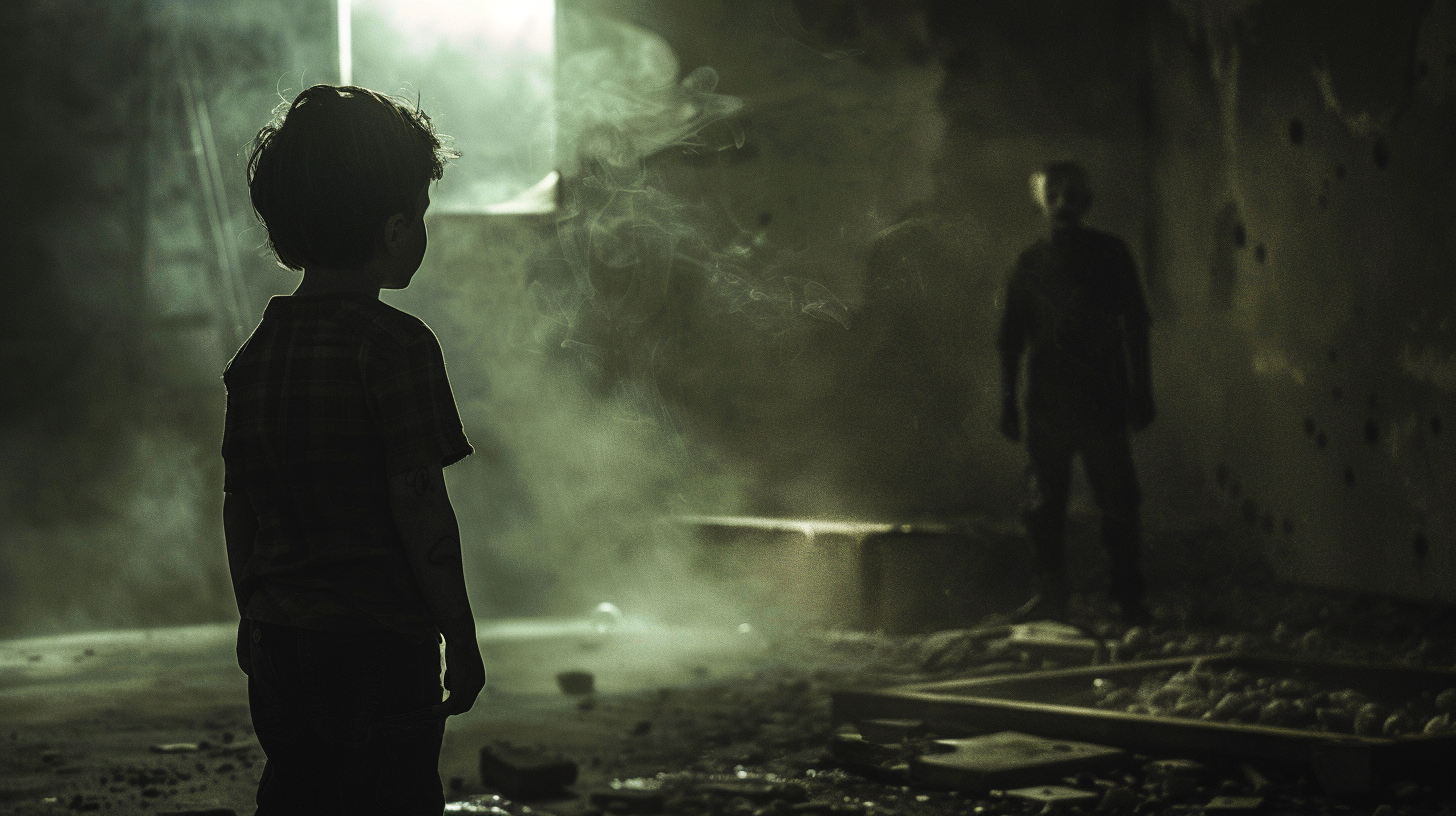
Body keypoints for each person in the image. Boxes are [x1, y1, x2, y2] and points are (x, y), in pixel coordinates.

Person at [222, 84, 483, 815]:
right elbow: (419, 503)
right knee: (391, 796)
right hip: (379, 646)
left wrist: (252, 611)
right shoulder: (398, 348)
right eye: (423, 214)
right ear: (397, 228)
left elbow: (240, 506)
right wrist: (459, 636)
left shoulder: (256, 354)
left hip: (281, 643)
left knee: (298, 792)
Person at [996, 160, 1156, 624]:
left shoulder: (1111, 254)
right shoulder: (1030, 262)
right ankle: (1052, 595)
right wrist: (1008, 399)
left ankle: (1127, 595)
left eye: (1072, 194)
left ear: (1086, 201)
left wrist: (1142, 389)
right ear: (1041, 202)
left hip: (1102, 396)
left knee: (1119, 498)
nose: (1063, 203)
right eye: (1054, 194)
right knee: (1044, 502)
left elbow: (1135, 324)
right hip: (1048, 400)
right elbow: (1011, 334)